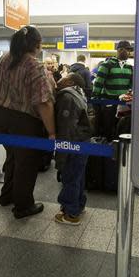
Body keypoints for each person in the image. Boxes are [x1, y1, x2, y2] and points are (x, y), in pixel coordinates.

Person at [0, 26, 55, 219]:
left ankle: (7, 195)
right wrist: (52, 132)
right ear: (36, 45)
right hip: (23, 122)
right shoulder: (34, 65)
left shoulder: (4, 58)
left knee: (12, 157)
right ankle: (23, 206)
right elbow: (43, 102)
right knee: (26, 163)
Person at [54, 72, 92, 225]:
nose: (59, 80)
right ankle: (78, 204)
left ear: (69, 81)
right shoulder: (78, 93)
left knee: (69, 176)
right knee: (78, 176)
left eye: (62, 78)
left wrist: (61, 156)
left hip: (73, 142)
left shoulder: (67, 97)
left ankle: (71, 213)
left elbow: (66, 127)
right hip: (83, 141)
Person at [92, 41, 133, 140]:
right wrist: (95, 99)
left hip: (123, 105)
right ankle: (107, 150)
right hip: (108, 104)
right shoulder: (107, 65)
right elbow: (98, 83)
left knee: (121, 128)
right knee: (107, 128)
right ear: (120, 50)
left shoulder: (130, 67)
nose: (129, 53)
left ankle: (118, 150)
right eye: (127, 50)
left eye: (129, 51)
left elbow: (130, 85)